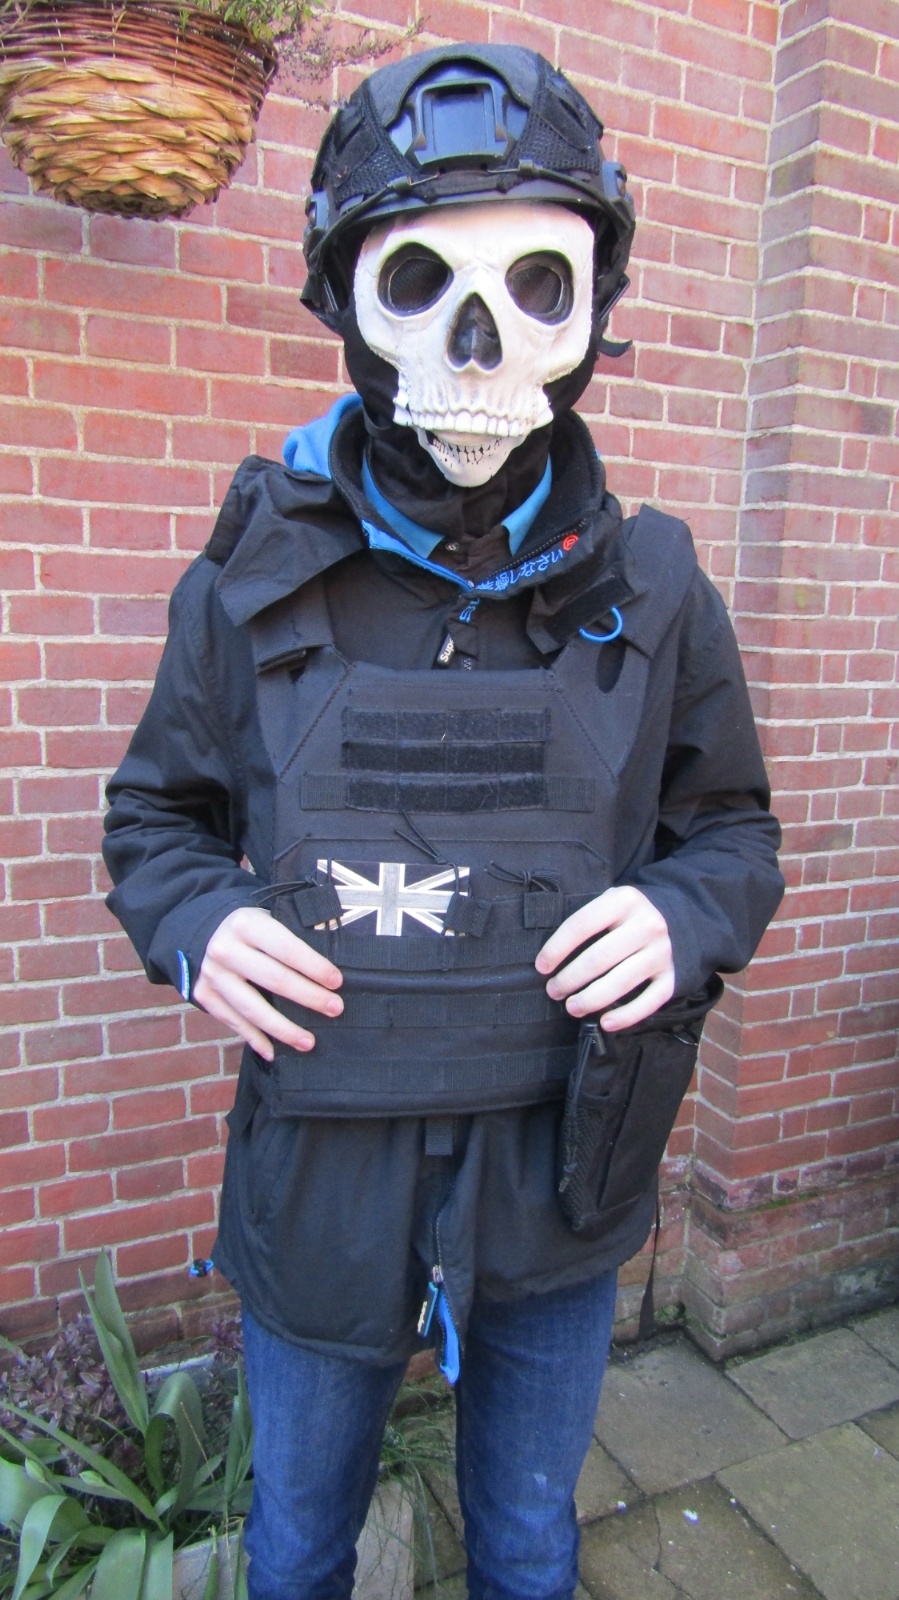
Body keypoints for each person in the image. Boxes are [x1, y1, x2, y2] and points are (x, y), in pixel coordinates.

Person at [103, 44, 784, 1600]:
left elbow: (733, 833)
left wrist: (682, 914)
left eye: (535, 286)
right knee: (297, 1546)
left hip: (559, 1175)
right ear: (346, 300)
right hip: (322, 1181)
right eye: (422, 283)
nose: (478, 350)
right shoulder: (251, 576)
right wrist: (198, 923)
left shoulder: (658, 589)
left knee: (530, 1543)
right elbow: (156, 820)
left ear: (595, 309)